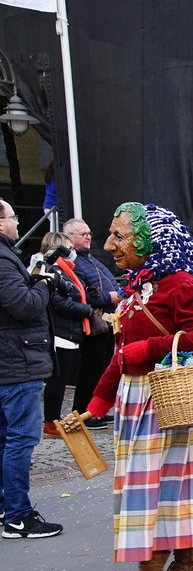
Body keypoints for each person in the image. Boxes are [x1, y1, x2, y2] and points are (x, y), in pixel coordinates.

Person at [76, 202, 193, 571]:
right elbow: (121, 354)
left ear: (153, 240)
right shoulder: (138, 288)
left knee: (160, 491)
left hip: (167, 400)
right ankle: (188, 564)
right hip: (137, 403)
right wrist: (97, 403)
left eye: (120, 236)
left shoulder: (183, 285)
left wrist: (148, 347)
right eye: (111, 234)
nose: (109, 244)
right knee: (167, 487)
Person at [0, 199, 64, 539]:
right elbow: (24, 306)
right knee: (19, 440)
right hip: (16, 363)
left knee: (6, 439)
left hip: (12, 361)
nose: (18, 224)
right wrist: (43, 283)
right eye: (13, 217)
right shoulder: (2, 259)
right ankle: (18, 516)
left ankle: (7, 507)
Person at [32, 233, 92, 440]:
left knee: (62, 378)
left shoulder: (66, 272)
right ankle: (50, 421)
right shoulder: (53, 270)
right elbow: (58, 302)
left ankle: (53, 418)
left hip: (68, 331)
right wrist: (87, 310)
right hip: (60, 332)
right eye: (68, 247)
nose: (73, 252)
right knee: (57, 380)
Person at [65, 217, 121, 427]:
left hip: (105, 320)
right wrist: (110, 297)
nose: (89, 237)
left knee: (103, 367)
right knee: (91, 367)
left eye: (89, 233)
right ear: (71, 237)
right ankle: (83, 410)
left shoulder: (90, 259)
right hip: (93, 321)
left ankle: (95, 410)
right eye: (83, 234)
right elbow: (80, 295)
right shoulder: (74, 263)